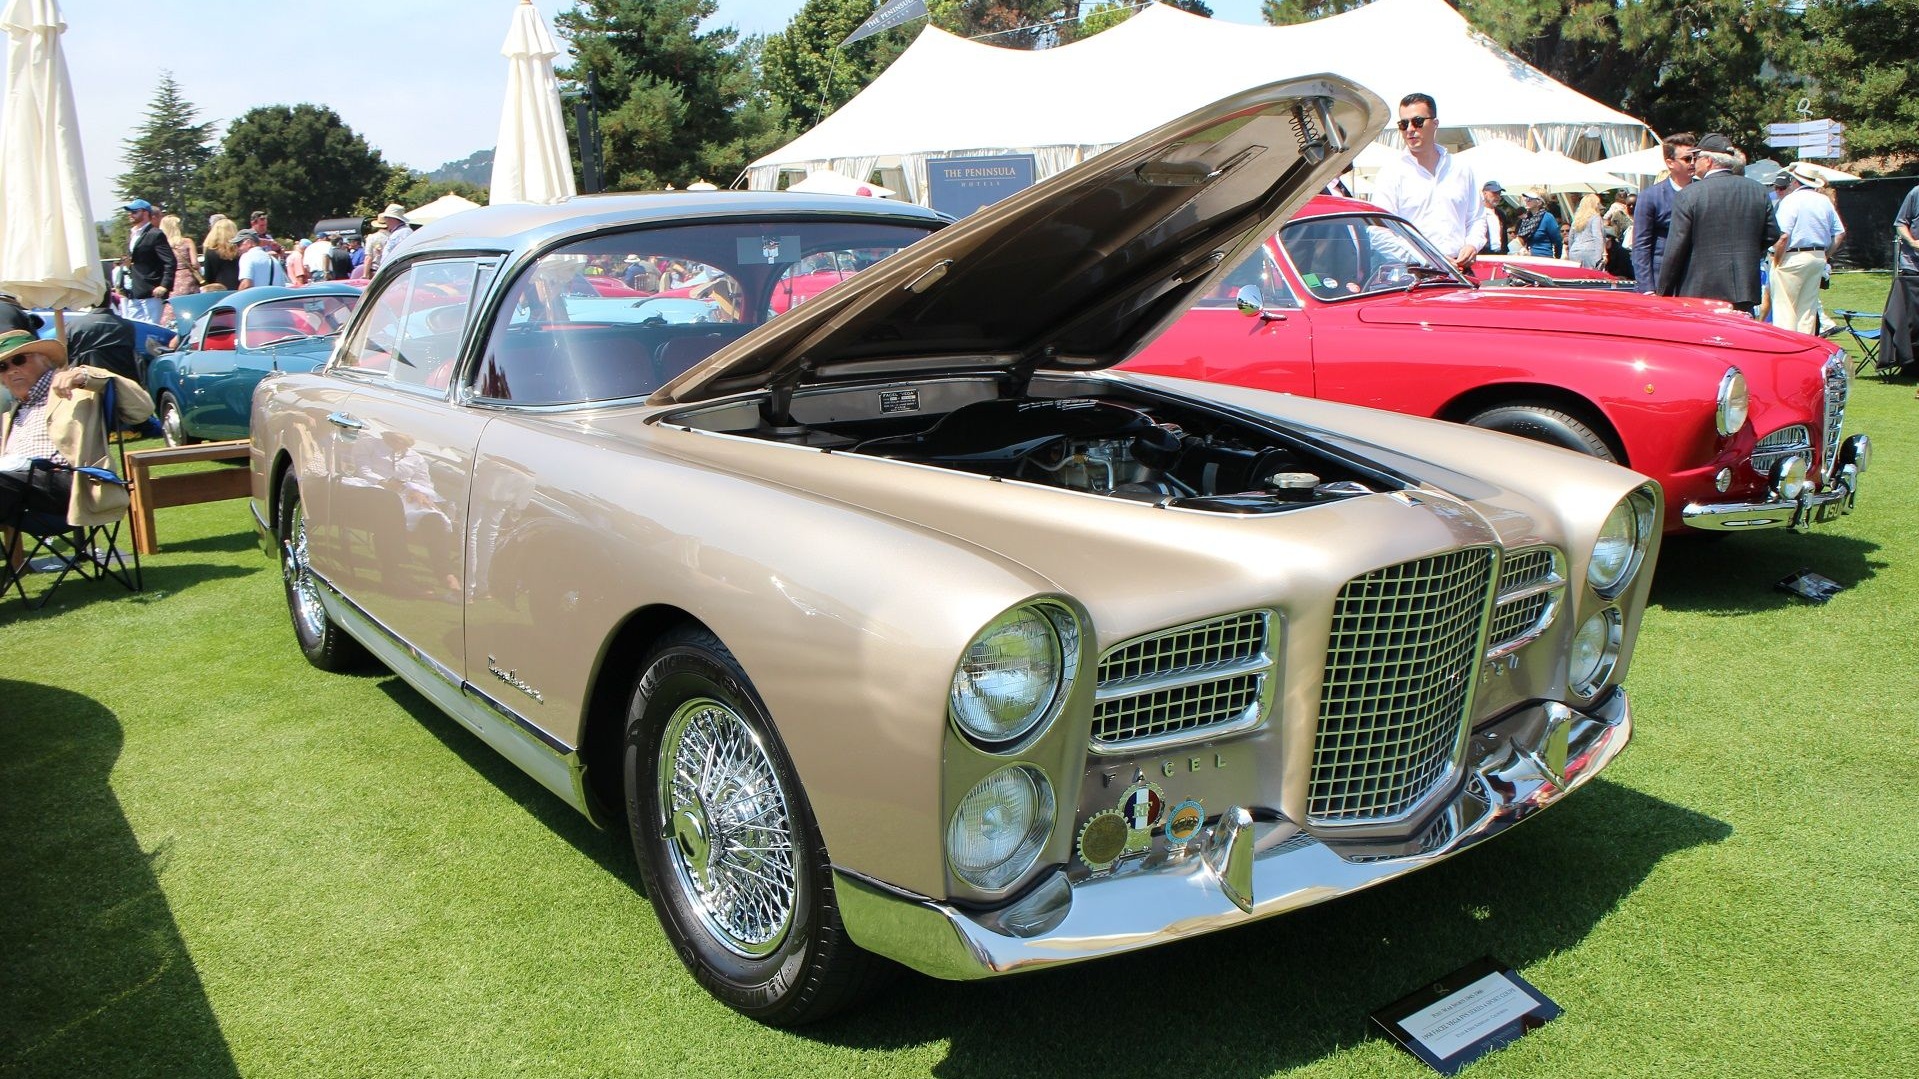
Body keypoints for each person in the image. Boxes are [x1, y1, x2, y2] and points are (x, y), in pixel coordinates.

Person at [0, 329, 155, 574]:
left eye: (19, 360)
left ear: (44, 358)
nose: (11, 370)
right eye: (2, 367)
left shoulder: (79, 390)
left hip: (70, 485)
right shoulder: (11, 415)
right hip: (16, 494)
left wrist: (85, 375)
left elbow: (143, 409)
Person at [1657, 133, 1780, 314]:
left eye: (1696, 158)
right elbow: (1771, 234)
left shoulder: (1690, 194)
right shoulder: (1758, 191)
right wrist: (1749, 251)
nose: (1693, 162)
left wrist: (1664, 291)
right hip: (1743, 289)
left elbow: (1676, 247)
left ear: (1707, 161)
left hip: (1700, 291)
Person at [1369, 93, 1479, 268]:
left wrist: (1472, 244)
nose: (1410, 129)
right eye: (1403, 124)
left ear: (1435, 124)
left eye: (1417, 122)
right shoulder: (1391, 173)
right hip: (1412, 274)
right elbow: (1379, 234)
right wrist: (1429, 260)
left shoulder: (1461, 169)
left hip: (1460, 271)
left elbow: (1476, 219)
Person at [1768, 163, 1846, 336]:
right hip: (1816, 256)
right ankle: (1805, 351)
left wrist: (1777, 260)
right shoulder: (1824, 201)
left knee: (1785, 308)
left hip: (1791, 256)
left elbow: (1783, 236)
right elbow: (1839, 233)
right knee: (1807, 311)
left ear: (1794, 182)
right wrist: (1825, 255)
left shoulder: (1791, 200)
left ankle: (1786, 351)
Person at [1632, 132, 1698, 293]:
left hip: (1697, 279)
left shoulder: (1704, 191)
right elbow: (1641, 245)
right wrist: (1647, 288)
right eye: (1687, 159)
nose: (1693, 163)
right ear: (1670, 163)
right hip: (1661, 280)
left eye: (1696, 158)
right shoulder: (1651, 196)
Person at [1881, 181, 1919, 375]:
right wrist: (1912, 242)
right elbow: (1900, 223)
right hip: (1912, 267)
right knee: (1910, 318)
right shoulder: (1916, 193)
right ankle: (1908, 362)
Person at [62, 292, 142, 384]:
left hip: (82, 386)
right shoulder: (127, 327)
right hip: (120, 386)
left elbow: (63, 360)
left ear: (91, 299)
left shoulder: (73, 326)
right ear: (110, 299)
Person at [121, 199, 174, 323]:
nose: (130, 215)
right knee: (135, 327)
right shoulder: (133, 234)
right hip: (134, 290)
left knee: (152, 328)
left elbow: (170, 261)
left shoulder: (155, 234)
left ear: (145, 213)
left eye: (134, 212)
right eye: (129, 212)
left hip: (152, 291)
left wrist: (164, 285)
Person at [159, 214, 201, 299]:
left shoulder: (161, 244)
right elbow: (195, 264)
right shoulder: (187, 242)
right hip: (188, 278)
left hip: (170, 279)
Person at [1514, 190, 1562, 257]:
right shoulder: (1526, 219)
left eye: (1530, 199)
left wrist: (1557, 258)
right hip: (1527, 258)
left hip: (1543, 259)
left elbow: (1557, 241)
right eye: (1526, 198)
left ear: (1539, 202)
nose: (1526, 200)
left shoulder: (1547, 217)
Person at [1567, 193, 1608, 269]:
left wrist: (1571, 250)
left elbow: (1570, 237)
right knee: (1590, 278)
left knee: (1577, 278)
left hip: (1575, 251)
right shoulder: (1595, 217)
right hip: (1590, 251)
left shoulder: (1576, 218)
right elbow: (1597, 237)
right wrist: (1598, 258)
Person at [371, 204, 414, 273]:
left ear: (391, 218)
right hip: (393, 270)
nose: (385, 221)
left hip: (398, 271)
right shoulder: (400, 232)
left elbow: (404, 254)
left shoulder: (404, 232)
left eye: (386, 218)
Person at [201, 217, 241, 291]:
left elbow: (208, 277)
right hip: (240, 287)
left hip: (220, 289)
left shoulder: (210, 252)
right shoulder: (240, 251)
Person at [1602, 191, 1634, 277]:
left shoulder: (1618, 209)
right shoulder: (1617, 209)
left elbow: (1605, 218)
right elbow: (1606, 219)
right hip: (1621, 242)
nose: (1631, 207)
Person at [1475, 180, 1509, 255]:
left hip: (1499, 255)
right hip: (1481, 255)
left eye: (1499, 193)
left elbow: (1504, 238)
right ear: (1484, 193)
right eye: (1494, 193)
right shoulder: (1477, 212)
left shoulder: (1501, 214)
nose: (1497, 196)